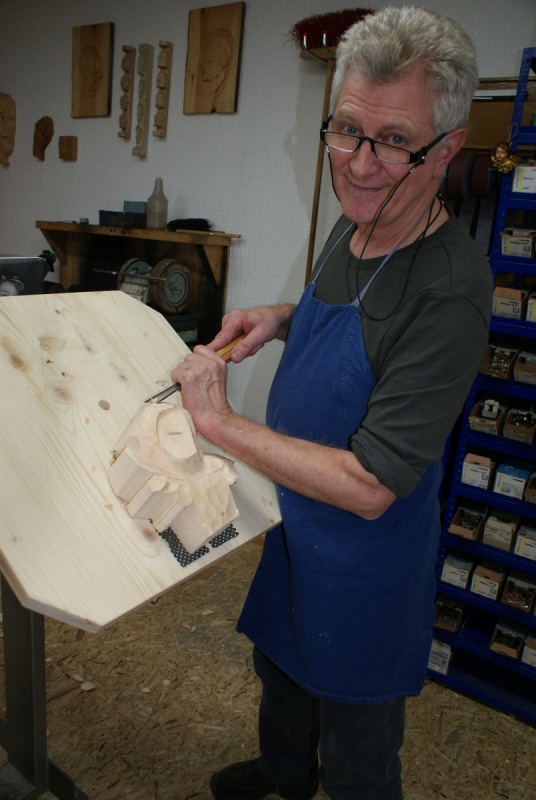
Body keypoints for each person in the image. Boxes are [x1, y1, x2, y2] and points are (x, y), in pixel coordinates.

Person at [171, 6, 493, 799]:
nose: (358, 164)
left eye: (393, 140)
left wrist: (220, 423)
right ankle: (284, 776)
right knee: (280, 673)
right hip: (295, 523)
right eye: (347, 130)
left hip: (364, 563)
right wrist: (282, 318)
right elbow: (357, 323)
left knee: (356, 746)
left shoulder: (450, 291)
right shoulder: (358, 219)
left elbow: (372, 484)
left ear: (446, 148)